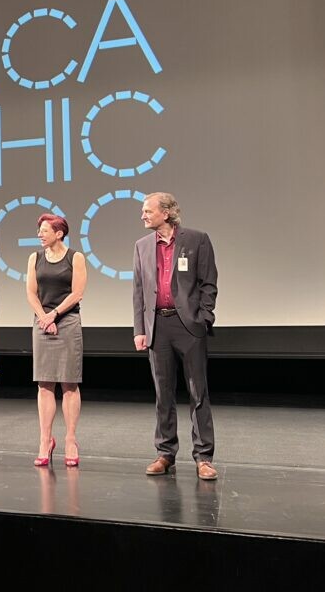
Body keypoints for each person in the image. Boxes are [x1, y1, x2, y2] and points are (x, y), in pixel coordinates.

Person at [132, 192, 219, 481]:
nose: (143, 216)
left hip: (189, 326)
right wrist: (140, 329)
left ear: (165, 213)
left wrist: (204, 316)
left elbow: (209, 282)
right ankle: (165, 453)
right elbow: (139, 291)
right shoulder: (142, 246)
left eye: (148, 211)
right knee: (163, 394)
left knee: (198, 392)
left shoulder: (197, 240)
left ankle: (203, 457)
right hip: (158, 326)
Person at [26, 213, 87, 468]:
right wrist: (43, 317)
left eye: (44, 230)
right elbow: (31, 292)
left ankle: (71, 440)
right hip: (42, 324)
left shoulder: (76, 257)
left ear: (59, 233)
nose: (40, 234)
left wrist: (54, 315)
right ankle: (45, 440)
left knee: (69, 384)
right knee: (44, 385)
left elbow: (77, 293)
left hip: (67, 322)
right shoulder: (35, 257)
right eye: (39, 230)